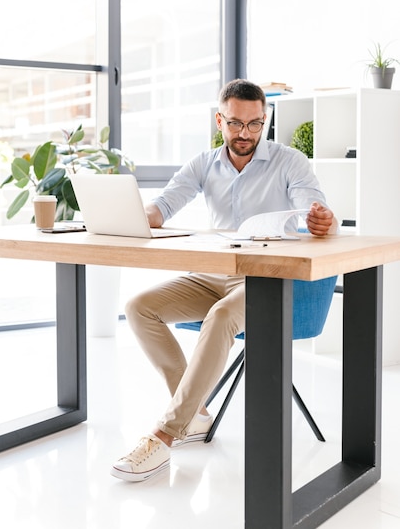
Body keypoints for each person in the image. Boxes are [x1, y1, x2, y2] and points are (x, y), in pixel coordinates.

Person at [110, 78, 337, 482]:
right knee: (138, 307)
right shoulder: (204, 163)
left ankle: (164, 435)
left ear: (264, 120)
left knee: (220, 317)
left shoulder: (290, 162)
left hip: (267, 279)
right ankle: (194, 414)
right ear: (220, 120)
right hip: (213, 274)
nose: (245, 133)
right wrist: (135, 216)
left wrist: (319, 220)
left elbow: (310, 211)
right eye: (235, 124)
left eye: (254, 124)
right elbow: (164, 204)